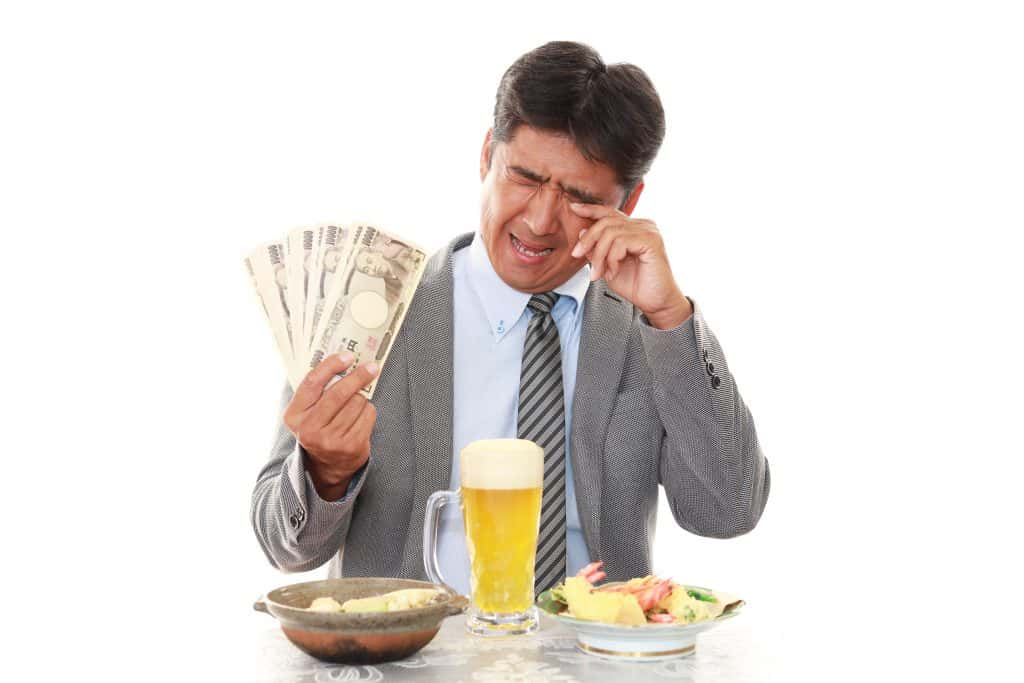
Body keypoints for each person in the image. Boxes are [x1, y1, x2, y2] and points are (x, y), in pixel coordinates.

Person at [251, 41, 770, 591]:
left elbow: (727, 513)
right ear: (485, 156)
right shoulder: (371, 312)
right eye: (523, 177)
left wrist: (671, 318)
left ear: (628, 202)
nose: (541, 221)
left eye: (577, 196)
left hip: (594, 662)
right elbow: (282, 545)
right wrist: (325, 474)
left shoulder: (651, 333)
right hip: (415, 666)